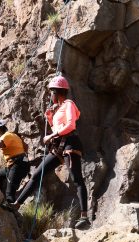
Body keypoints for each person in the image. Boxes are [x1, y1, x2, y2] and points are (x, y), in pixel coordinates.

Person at [10, 75, 90, 229]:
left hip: (70, 143)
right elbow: (57, 128)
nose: (50, 96)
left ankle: (84, 217)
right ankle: (17, 204)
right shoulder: (59, 108)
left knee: (76, 178)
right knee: (37, 175)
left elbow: (71, 126)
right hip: (59, 146)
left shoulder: (69, 104)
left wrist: (51, 135)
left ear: (56, 92)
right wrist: (50, 116)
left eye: (51, 93)